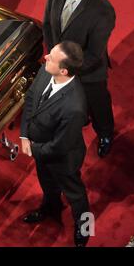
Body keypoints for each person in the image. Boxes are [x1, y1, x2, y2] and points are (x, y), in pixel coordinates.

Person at [43, 0, 116, 158]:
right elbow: (48, 24)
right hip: (61, 65)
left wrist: (67, 67)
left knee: (98, 106)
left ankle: (105, 134)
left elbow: (93, 53)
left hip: (89, 71)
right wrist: (54, 56)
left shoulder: (103, 11)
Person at [20, 41, 90, 247]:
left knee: (76, 195)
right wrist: (24, 135)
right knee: (48, 185)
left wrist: (32, 149)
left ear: (64, 70)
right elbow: (31, 98)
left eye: (50, 58)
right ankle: (50, 207)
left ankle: (86, 228)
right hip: (42, 151)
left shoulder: (75, 107)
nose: (45, 58)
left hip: (63, 158)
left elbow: (60, 145)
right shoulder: (47, 70)